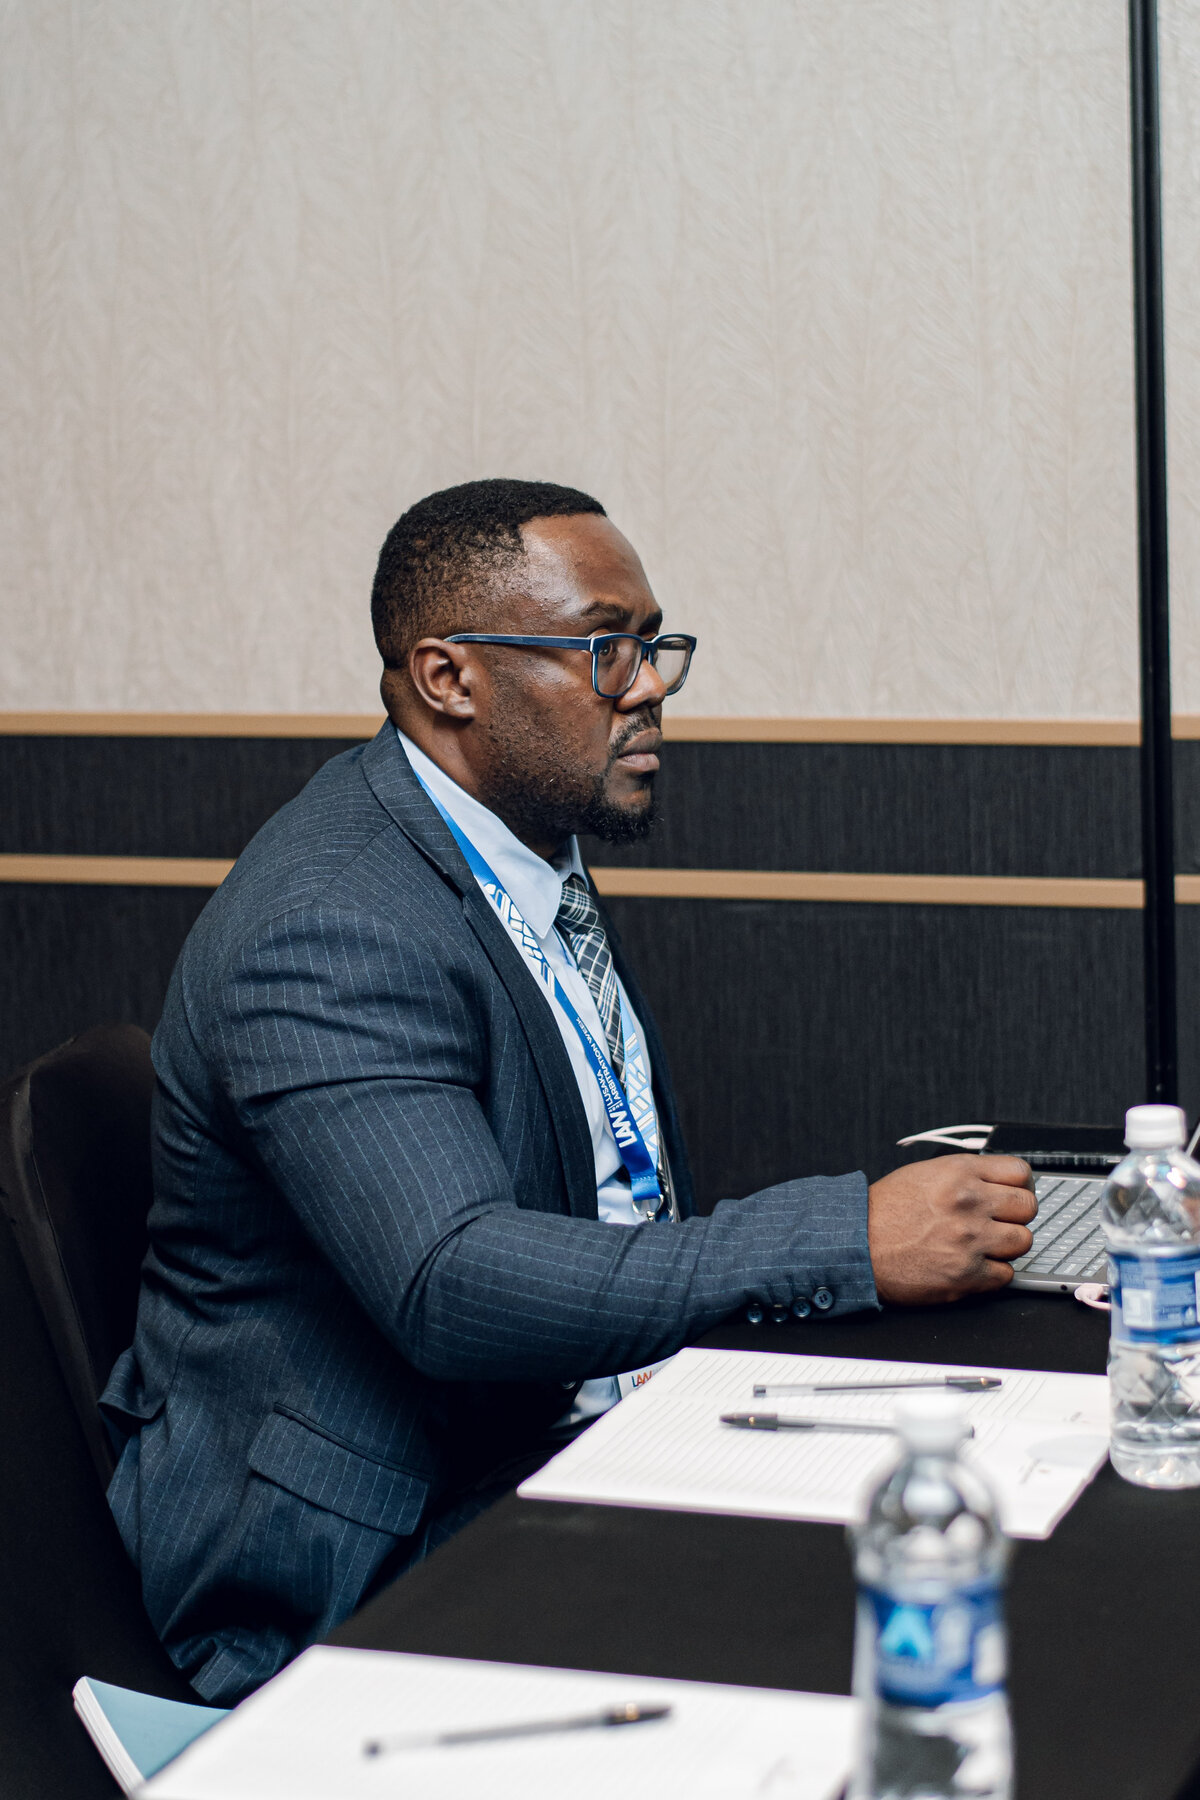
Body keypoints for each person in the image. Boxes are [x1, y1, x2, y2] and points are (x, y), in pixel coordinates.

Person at [102, 478, 1036, 1705]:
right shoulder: (329, 922)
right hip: (356, 1559)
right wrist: (840, 1240)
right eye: (604, 648)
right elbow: (451, 1281)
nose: (646, 686)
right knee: (881, 1632)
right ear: (449, 678)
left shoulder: (517, 843)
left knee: (969, 1521)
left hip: (560, 1434)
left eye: (652, 644)